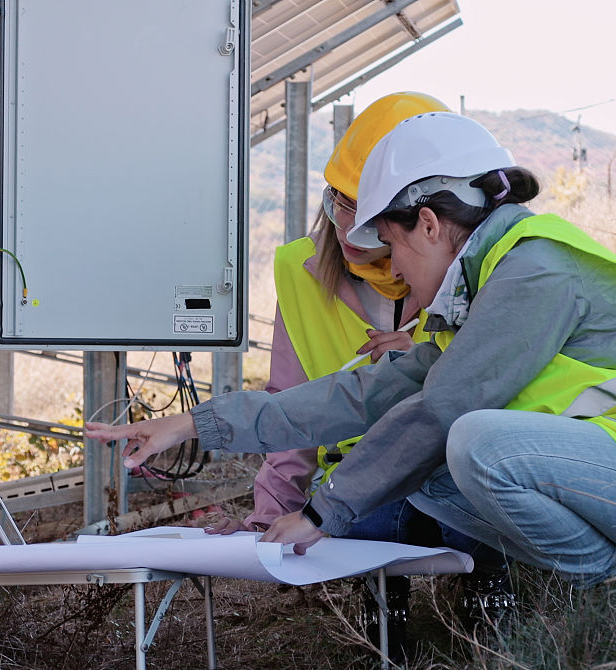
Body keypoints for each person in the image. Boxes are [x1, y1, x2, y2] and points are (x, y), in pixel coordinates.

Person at [87, 112, 616, 594]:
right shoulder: (488, 287)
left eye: (390, 245)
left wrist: (323, 510)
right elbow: (364, 396)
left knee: (468, 437)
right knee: (414, 466)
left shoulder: (534, 272)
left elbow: (444, 407)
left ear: (428, 222)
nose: (390, 268)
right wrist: (196, 425)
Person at [206, 94, 512, 652]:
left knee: (468, 490)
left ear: (425, 214)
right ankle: (386, 642)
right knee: (360, 527)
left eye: (368, 210)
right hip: (356, 486)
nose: (348, 226)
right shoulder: (300, 274)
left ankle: (495, 634)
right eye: (340, 201)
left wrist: (428, 349)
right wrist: (271, 515)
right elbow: (292, 404)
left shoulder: (484, 270)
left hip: (451, 474)